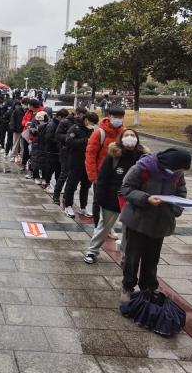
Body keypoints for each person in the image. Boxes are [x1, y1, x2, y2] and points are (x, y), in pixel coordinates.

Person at [119, 148, 191, 302]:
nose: (177, 172)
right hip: (137, 220)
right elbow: (126, 189)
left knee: (152, 258)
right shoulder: (142, 168)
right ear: (168, 163)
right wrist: (146, 198)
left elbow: (181, 193)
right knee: (132, 257)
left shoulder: (177, 174)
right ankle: (128, 285)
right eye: (176, 168)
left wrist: (175, 209)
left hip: (161, 222)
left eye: (180, 170)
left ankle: (149, 288)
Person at [84, 129, 149, 264]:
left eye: (132, 135)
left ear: (137, 138)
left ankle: (126, 256)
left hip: (132, 199)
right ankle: (92, 251)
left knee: (128, 230)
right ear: (121, 139)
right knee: (104, 226)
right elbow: (103, 179)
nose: (130, 138)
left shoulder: (144, 157)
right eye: (126, 135)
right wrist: (99, 199)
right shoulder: (113, 156)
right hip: (112, 198)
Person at [86, 106, 126, 229]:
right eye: (115, 117)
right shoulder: (100, 133)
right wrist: (93, 175)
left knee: (114, 201)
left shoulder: (124, 133)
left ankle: (108, 227)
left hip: (118, 175)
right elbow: (90, 154)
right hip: (101, 174)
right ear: (109, 116)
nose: (117, 119)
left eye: (120, 117)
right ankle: (98, 227)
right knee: (99, 200)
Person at [63, 112, 99, 218]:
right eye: (92, 123)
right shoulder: (74, 128)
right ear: (86, 120)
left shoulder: (91, 130)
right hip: (75, 162)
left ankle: (83, 207)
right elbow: (69, 142)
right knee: (72, 185)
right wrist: (86, 141)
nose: (93, 125)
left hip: (87, 162)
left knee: (86, 186)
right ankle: (68, 206)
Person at [52, 107, 87, 205]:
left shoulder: (83, 125)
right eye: (80, 116)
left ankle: (67, 195)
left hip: (77, 153)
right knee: (64, 174)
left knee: (72, 177)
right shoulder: (65, 122)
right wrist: (69, 137)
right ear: (76, 114)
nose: (82, 119)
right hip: (65, 151)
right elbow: (57, 135)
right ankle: (56, 194)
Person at [44, 109, 68, 194]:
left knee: (59, 169)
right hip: (52, 151)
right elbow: (48, 138)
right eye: (65, 118)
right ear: (59, 117)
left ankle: (58, 186)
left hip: (59, 151)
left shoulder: (61, 124)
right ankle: (47, 184)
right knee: (50, 168)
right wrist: (60, 143)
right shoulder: (52, 125)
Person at [29, 111, 49, 186]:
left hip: (44, 144)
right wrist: (33, 132)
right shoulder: (34, 122)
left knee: (44, 162)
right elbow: (31, 132)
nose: (41, 121)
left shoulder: (49, 124)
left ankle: (44, 177)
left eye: (42, 120)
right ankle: (36, 176)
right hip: (36, 144)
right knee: (35, 161)